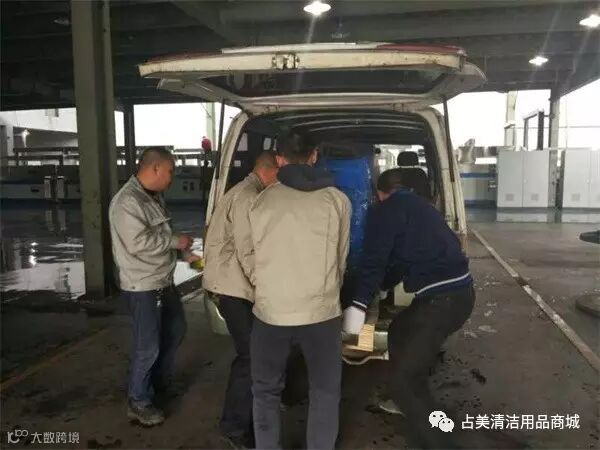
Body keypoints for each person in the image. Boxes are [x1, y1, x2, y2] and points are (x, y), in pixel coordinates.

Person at [342, 168, 475, 449]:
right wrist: (382, 286)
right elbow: (401, 261)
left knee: (403, 380)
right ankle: (413, 400)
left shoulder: (387, 211)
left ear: (380, 193)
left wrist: (358, 304)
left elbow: (375, 260)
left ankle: (441, 438)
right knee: (399, 330)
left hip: (442, 302)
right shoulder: (417, 208)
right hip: (460, 295)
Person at [245, 133, 351, 450]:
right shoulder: (337, 200)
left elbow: (251, 254)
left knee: (265, 391)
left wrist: (265, 286)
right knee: (324, 391)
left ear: (279, 159)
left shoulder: (261, 201)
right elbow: (341, 259)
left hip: (270, 314)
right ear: (314, 155)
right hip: (321, 314)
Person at [109, 147, 196, 426]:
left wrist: (183, 253)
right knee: (148, 346)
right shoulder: (127, 202)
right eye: (170, 171)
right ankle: (138, 401)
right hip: (143, 286)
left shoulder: (153, 197)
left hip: (162, 280)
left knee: (175, 330)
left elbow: (161, 234)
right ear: (155, 168)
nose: (172, 177)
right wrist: (176, 242)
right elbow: (138, 243)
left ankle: (159, 384)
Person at [203, 151, 279, 448]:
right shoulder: (248, 197)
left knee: (254, 353)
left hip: (234, 283)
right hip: (232, 287)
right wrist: (266, 286)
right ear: (270, 172)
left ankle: (249, 413)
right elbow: (248, 250)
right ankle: (234, 426)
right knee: (250, 356)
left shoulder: (246, 192)